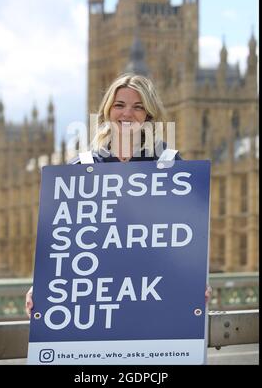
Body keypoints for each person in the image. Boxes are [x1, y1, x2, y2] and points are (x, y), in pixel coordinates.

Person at [25, 72, 211, 317]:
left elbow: (183, 234)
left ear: (148, 115)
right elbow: (62, 239)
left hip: (151, 291)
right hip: (95, 295)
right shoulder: (81, 167)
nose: (127, 114)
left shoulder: (169, 164)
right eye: (119, 105)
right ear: (107, 111)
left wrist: (196, 281)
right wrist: (43, 286)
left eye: (138, 107)